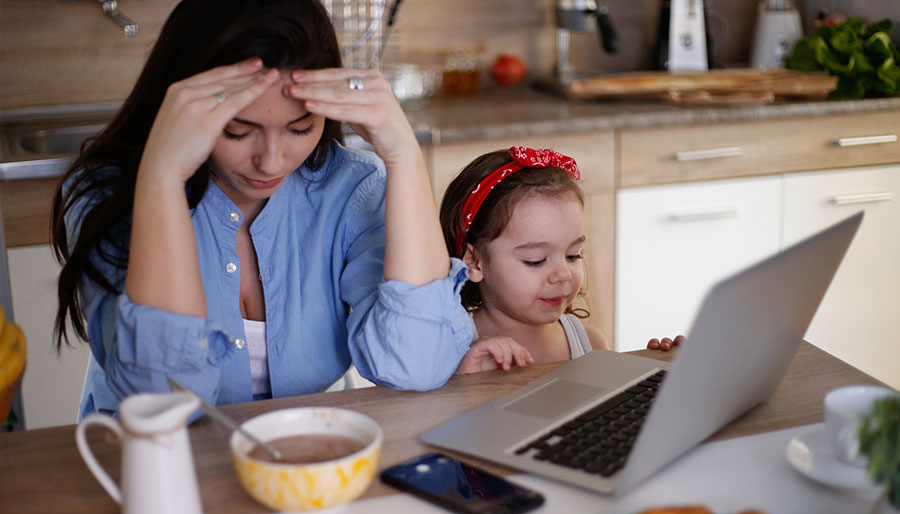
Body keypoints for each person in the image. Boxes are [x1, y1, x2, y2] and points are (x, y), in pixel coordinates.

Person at [51, 0, 474, 419]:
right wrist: (162, 176)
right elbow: (166, 403)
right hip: (148, 469)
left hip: (301, 462)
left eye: (301, 128)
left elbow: (417, 364)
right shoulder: (108, 194)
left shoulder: (350, 189)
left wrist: (403, 154)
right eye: (238, 131)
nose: (271, 162)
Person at [439, 147, 682, 373]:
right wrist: (467, 377)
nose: (564, 273)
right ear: (474, 262)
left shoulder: (589, 343)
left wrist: (661, 370)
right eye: (536, 260)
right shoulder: (451, 350)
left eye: (573, 255)